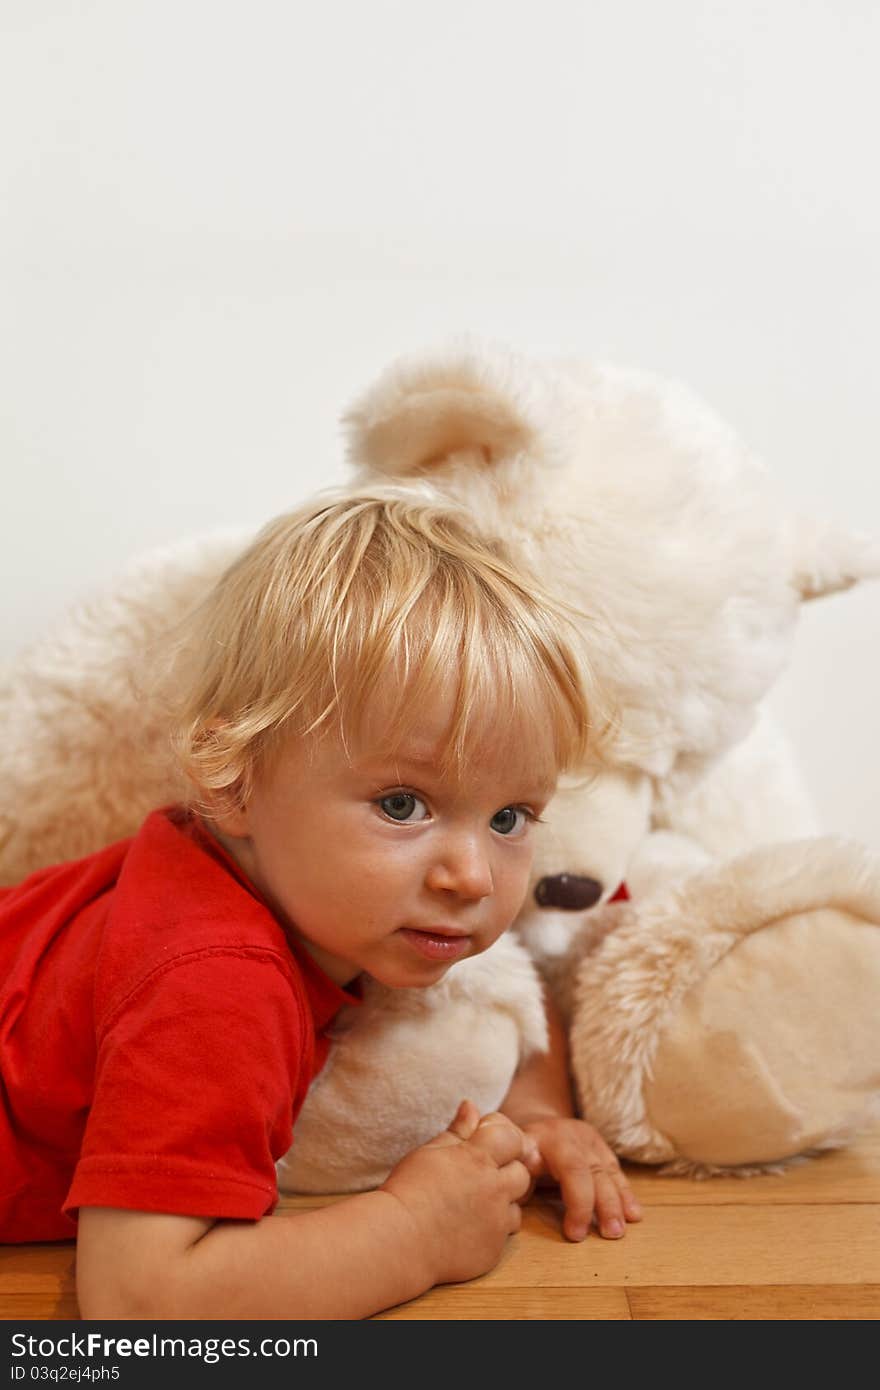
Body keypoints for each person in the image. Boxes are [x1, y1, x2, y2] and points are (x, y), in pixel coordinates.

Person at [0, 490, 641, 1319]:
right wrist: (413, 1231)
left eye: (510, 817)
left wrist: (537, 1115)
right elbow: (138, 1302)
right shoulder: (214, 983)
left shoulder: (343, 891)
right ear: (233, 778)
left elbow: (504, 981)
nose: (475, 878)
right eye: (403, 804)